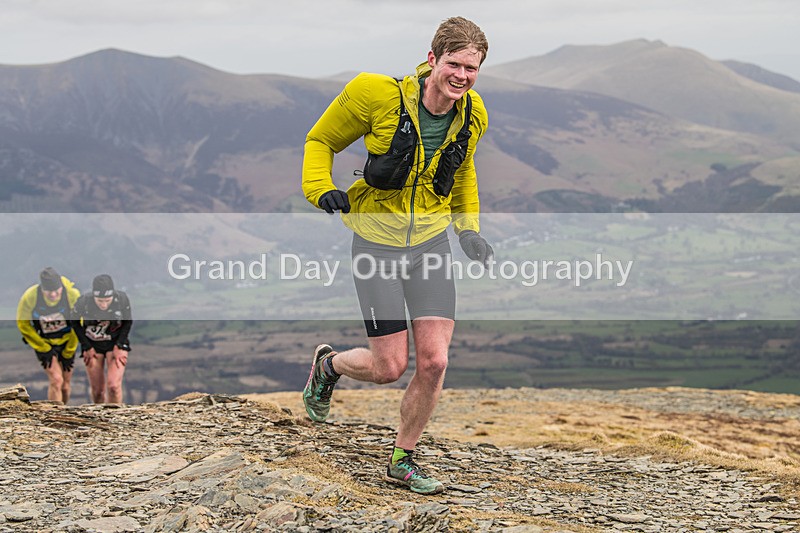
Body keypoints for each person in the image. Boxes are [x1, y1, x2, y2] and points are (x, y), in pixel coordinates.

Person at [301, 16, 493, 495]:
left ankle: (402, 459)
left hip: (430, 245)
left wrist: (468, 230)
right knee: (388, 368)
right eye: (454, 64)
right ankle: (328, 366)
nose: (462, 76)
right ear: (432, 59)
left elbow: (463, 172)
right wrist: (320, 188)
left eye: (471, 68)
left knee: (435, 362)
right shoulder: (375, 94)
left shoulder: (473, 114)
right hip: (376, 245)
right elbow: (321, 140)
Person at [16, 267, 81, 403]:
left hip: (67, 341)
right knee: (56, 380)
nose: (53, 294)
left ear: (61, 287)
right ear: (42, 289)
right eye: (48, 291)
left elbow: (79, 324)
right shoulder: (30, 297)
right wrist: (43, 347)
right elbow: (23, 324)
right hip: (44, 342)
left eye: (56, 290)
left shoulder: (72, 295)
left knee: (65, 385)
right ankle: (55, 413)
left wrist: (69, 351)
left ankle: (64, 411)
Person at [70, 274, 133, 404]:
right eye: (100, 301)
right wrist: (86, 346)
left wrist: (120, 344)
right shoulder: (83, 302)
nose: (104, 305)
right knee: (98, 391)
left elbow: (128, 321)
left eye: (107, 300)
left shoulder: (121, 299)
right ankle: (99, 414)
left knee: (113, 387)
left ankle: (115, 414)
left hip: (115, 342)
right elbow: (74, 322)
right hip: (93, 345)